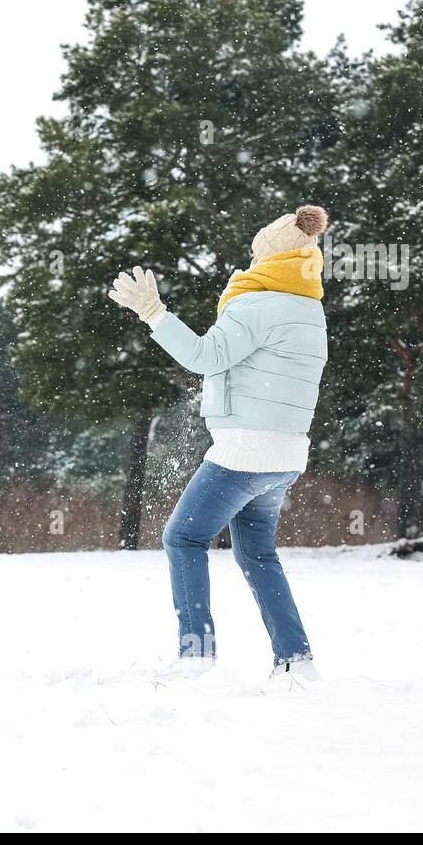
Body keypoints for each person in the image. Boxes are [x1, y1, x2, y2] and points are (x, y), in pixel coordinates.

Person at [109, 206, 330, 683]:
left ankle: (196, 655)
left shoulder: (257, 304)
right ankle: (296, 659)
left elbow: (203, 356)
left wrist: (153, 313)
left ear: (270, 259)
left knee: (183, 538)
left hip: (244, 452)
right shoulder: (309, 309)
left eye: (256, 254)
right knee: (257, 553)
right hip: (286, 455)